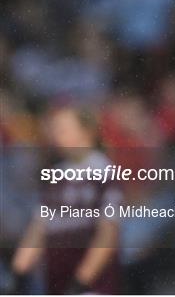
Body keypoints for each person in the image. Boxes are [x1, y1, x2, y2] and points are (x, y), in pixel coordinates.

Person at [10, 106, 121, 294]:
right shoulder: (56, 174)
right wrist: (20, 269)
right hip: (56, 283)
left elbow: (107, 234)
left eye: (64, 129)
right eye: (55, 130)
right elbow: (39, 227)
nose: (57, 136)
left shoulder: (104, 171)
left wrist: (82, 280)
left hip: (92, 286)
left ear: (87, 132)